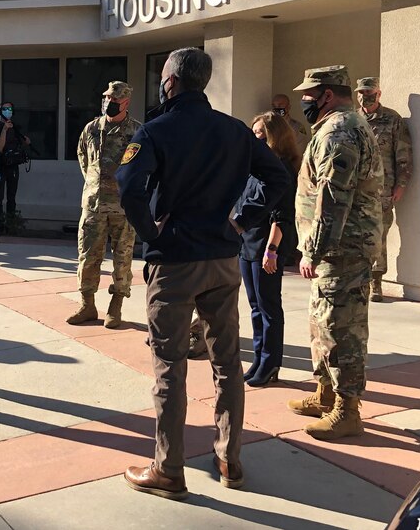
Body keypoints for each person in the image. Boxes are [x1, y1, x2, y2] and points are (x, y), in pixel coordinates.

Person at [117, 47, 289, 500]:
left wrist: (150, 234)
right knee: (227, 362)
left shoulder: (154, 131)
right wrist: (244, 218)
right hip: (222, 258)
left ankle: (169, 469)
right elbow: (279, 178)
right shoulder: (234, 131)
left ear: (170, 81)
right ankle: (229, 459)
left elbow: (128, 187)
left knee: (169, 365)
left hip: (173, 262)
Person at [287, 65, 383, 442]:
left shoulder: (338, 131)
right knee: (322, 323)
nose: (303, 102)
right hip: (339, 248)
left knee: (343, 328)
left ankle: (347, 410)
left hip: (342, 249)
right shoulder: (346, 125)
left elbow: (334, 199)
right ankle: (325, 394)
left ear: (327, 94)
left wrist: (314, 249)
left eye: (308, 96)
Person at [68, 81, 140, 329]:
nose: (109, 103)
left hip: (123, 208)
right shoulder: (91, 129)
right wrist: (94, 187)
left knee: (122, 258)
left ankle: (116, 306)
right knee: (88, 256)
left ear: (126, 103)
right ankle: (87, 305)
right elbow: (83, 159)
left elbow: (140, 170)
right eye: (106, 99)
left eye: (114, 100)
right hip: (93, 205)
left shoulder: (136, 132)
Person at [237, 112, 301, 387]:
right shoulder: (255, 166)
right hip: (248, 244)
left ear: (274, 135)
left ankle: (271, 362)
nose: (255, 138)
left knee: (269, 307)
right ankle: (259, 360)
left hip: (267, 245)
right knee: (255, 306)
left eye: (260, 133)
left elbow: (282, 215)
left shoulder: (281, 168)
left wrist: (272, 250)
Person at [355, 77, 413, 302]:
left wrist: (401, 184)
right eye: (360, 93)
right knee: (355, 233)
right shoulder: (352, 119)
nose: (364, 97)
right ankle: (358, 278)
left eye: (369, 93)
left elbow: (403, 154)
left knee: (378, 234)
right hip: (354, 187)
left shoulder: (392, 119)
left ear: (378, 94)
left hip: (382, 188)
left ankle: (375, 281)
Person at [0, 101, 30, 234]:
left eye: (10, 109)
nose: (8, 111)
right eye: (5, 109)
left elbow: (23, 145)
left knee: (11, 197)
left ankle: (11, 225)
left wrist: (25, 143)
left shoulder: (16, 128)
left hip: (13, 167)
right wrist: (5, 130)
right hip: (0, 166)